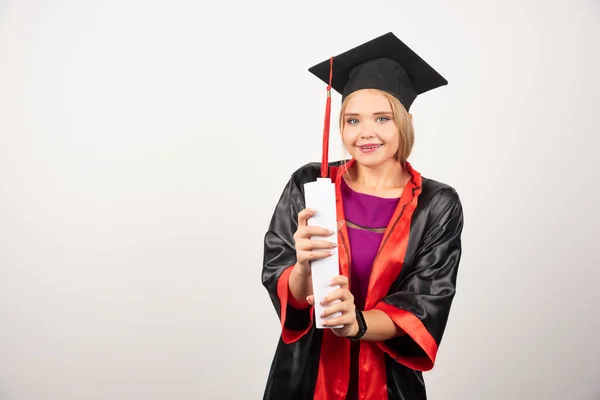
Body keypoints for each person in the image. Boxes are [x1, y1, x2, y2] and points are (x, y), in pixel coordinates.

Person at [261, 32, 464, 400]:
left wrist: (356, 325)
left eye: (382, 118)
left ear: (405, 122)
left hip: (387, 381)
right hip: (305, 377)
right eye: (353, 120)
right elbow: (281, 279)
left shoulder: (436, 204)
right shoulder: (310, 183)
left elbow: (424, 302)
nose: (365, 133)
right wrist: (303, 269)